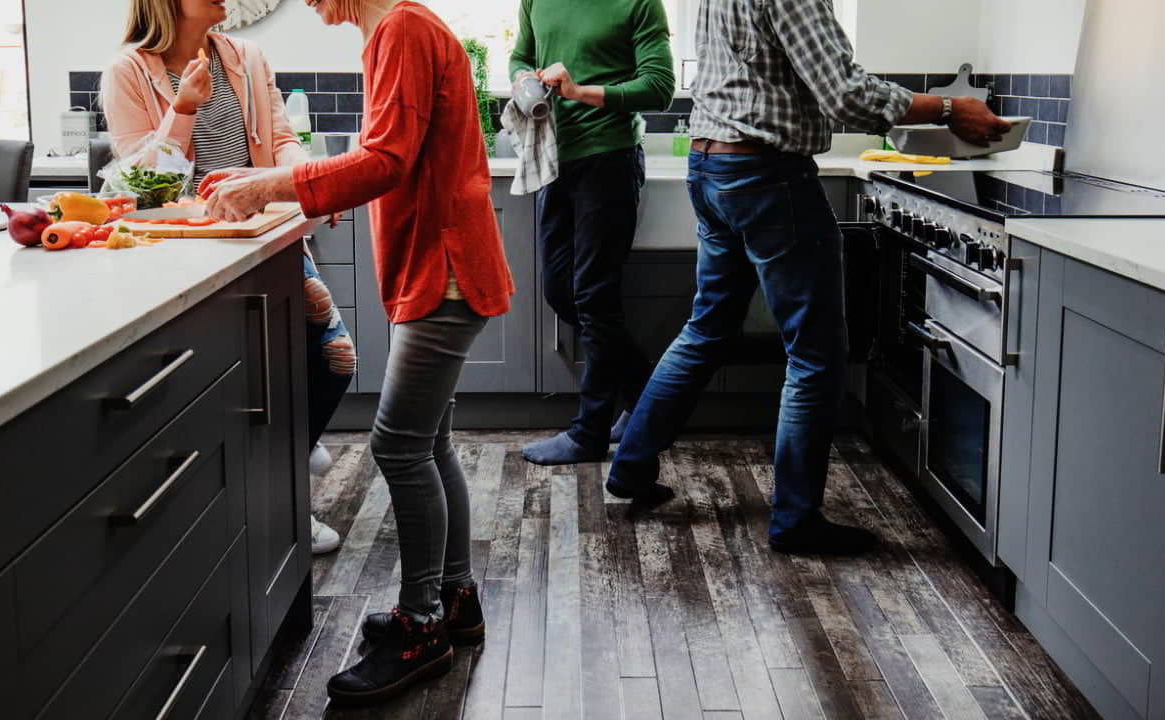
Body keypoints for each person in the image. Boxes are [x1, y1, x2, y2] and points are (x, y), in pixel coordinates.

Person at [605, 0, 1013, 555]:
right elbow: (845, 94)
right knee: (816, 355)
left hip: (712, 165)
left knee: (707, 328)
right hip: (766, 173)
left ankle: (630, 467)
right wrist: (946, 108)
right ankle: (796, 520)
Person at [199, 0, 514, 706]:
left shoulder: (403, 28)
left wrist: (270, 183)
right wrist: (310, 182)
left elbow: (384, 161)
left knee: (399, 446)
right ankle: (455, 599)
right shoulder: (398, 28)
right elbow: (391, 158)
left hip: (443, 270)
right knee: (428, 443)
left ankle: (421, 627)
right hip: (439, 268)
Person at [101, 0, 355, 555]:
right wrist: (183, 109)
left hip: (263, 240)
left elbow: (282, 140)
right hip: (186, 258)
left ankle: (291, 449)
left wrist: (312, 185)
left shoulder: (246, 56)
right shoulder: (128, 71)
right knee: (232, 390)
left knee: (335, 358)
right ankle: (283, 503)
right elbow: (142, 185)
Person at [510, 0, 676, 466]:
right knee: (561, 291)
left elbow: (660, 86)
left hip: (610, 160)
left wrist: (580, 92)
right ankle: (651, 403)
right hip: (554, 158)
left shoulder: (639, 4)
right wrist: (523, 79)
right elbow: (521, 55)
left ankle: (589, 434)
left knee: (595, 299)